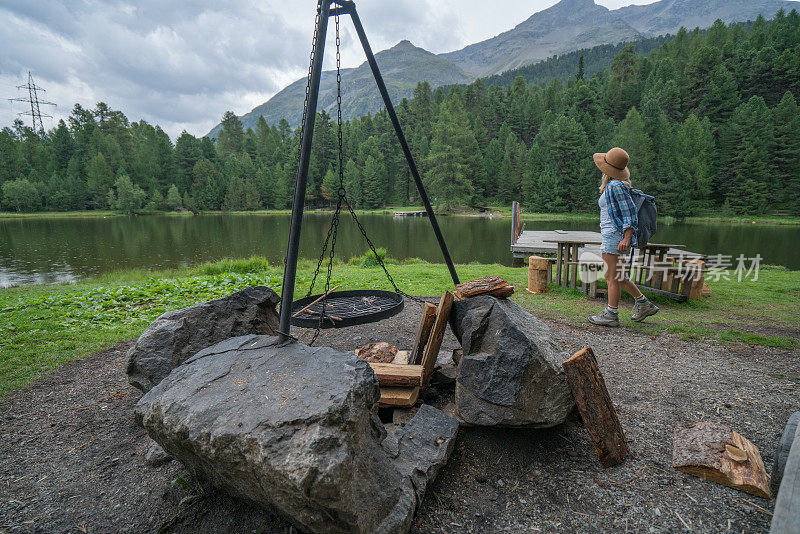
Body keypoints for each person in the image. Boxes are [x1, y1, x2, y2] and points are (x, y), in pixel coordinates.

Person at [588, 147, 659, 327]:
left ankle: (611, 314)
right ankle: (644, 304)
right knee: (618, 276)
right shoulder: (613, 186)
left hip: (615, 236)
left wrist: (627, 237)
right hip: (612, 235)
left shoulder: (616, 186)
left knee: (613, 277)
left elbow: (630, 215)